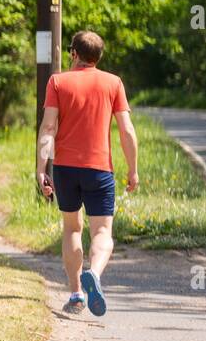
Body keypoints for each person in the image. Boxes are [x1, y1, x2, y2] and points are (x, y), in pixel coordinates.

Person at [35, 30, 139, 316]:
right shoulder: (113, 83)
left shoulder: (57, 81)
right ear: (98, 57)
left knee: (72, 228)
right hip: (99, 169)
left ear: (74, 54)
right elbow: (127, 130)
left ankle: (76, 293)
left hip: (66, 169)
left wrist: (42, 168)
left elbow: (47, 129)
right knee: (103, 231)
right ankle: (94, 272)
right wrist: (133, 170)